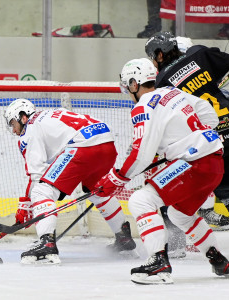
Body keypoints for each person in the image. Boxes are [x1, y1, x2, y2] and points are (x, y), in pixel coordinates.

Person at [96, 58, 228, 284]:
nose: (128, 91)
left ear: (134, 84)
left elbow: (140, 154)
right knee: (180, 214)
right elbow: (209, 115)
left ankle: (158, 262)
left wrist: (115, 179)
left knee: (140, 200)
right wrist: (187, 141)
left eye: (128, 86)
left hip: (193, 163)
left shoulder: (143, 107)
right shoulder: (172, 92)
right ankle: (218, 260)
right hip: (214, 163)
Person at [4, 98, 136, 265]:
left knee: (42, 191)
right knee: (96, 190)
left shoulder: (30, 128)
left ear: (23, 117)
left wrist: (26, 204)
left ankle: (47, 244)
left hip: (84, 146)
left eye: (13, 123)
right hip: (106, 142)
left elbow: (37, 175)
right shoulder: (49, 115)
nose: (14, 130)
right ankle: (123, 237)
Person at [145, 31, 229, 231]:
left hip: (211, 144)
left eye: (153, 57)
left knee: (170, 187)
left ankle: (177, 241)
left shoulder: (162, 84)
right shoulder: (200, 55)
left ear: (160, 55)